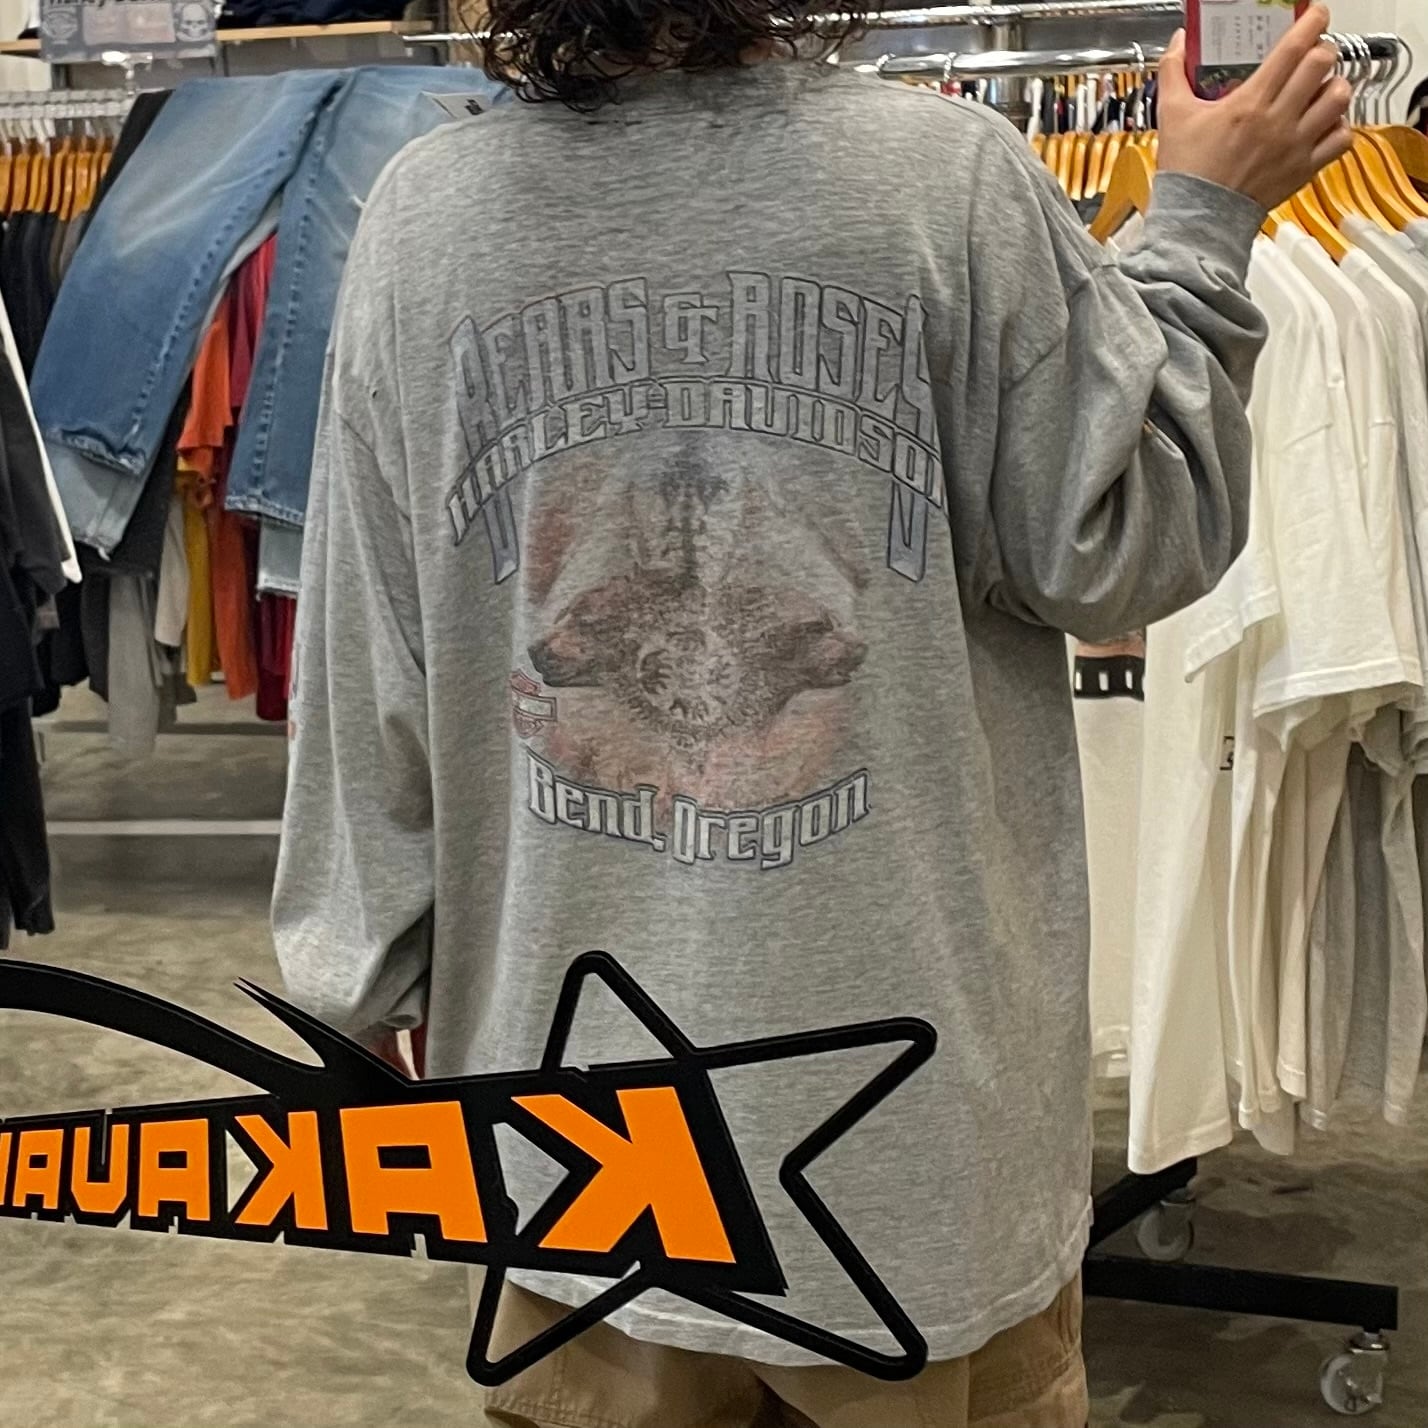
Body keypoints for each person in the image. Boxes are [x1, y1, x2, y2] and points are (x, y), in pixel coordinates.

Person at [272, 5, 1352, 1425]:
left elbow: (367, 654)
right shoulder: (944, 181)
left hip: (577, 1146)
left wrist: (351, 983)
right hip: (919, 1154)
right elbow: (1126, 552)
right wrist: (1200, 226)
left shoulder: (426, 218)